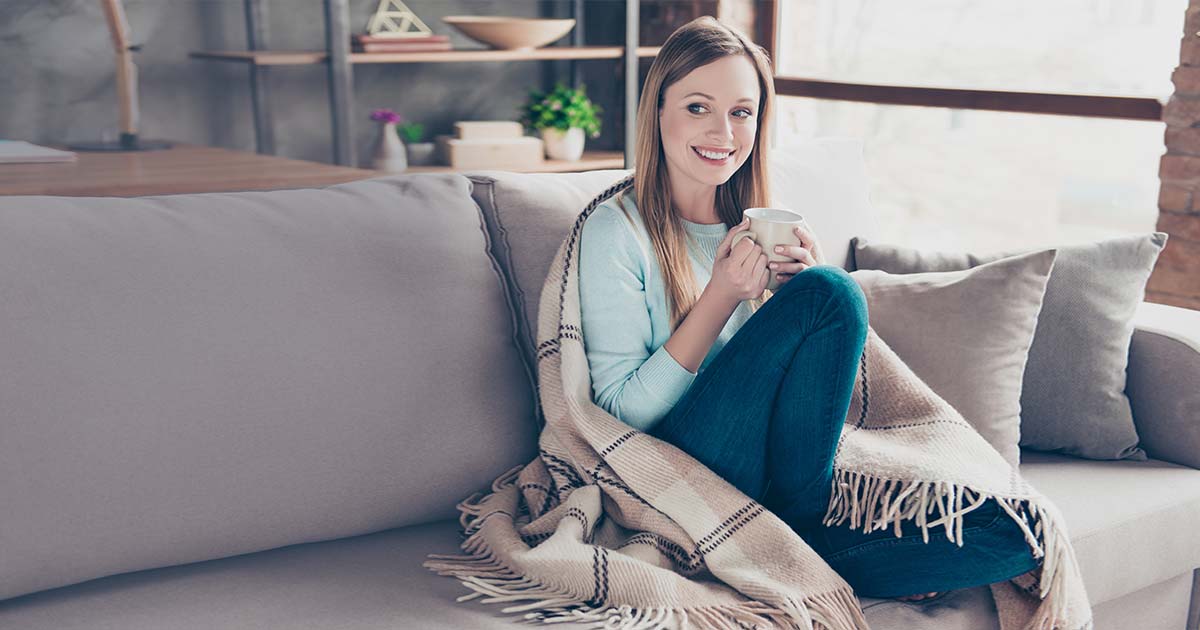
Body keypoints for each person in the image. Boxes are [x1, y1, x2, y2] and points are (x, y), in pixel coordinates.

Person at [577, 15, 1042, 604]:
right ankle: (794, 537)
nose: (723, 130)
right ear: (659, 111)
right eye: (698, 107)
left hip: (782, 474)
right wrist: (724, 298)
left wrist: (795, 298)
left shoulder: (757, 226)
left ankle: (796, 553)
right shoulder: (615, 231)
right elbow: (622, 414)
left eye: (742, 112)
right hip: (681, 463)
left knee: (1016, 535)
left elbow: (803, 403)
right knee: (833, 294)